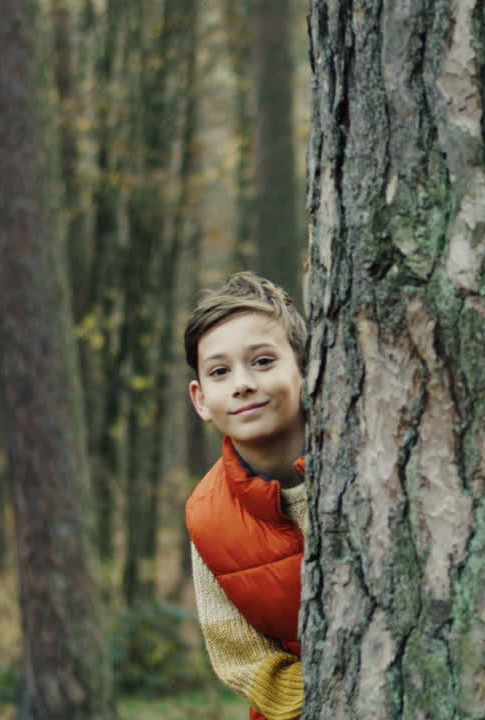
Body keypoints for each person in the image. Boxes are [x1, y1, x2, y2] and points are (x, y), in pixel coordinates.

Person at [183, 272, 308, 720]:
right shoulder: (208, 515)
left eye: (262, 362)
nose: (242, 383)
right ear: (200, 399)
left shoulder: (367, 466)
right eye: (220, 371)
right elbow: (240, 657)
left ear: (304, 368)